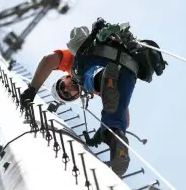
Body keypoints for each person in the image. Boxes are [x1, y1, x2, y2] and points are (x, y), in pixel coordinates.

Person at [19, 17, 167, 177]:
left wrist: (32, 90)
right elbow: (125, 113)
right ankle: (117, 149)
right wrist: (117, 129)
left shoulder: (71, 63)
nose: (68, 89)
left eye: (63, 86)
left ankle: (105, 81)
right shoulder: (99, 91)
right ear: (76, 98)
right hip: (126, 70)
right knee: (112, 107)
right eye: (68, 96)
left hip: (105, 65)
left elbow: (49, 61)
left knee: (88, 80)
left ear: (64, 78)